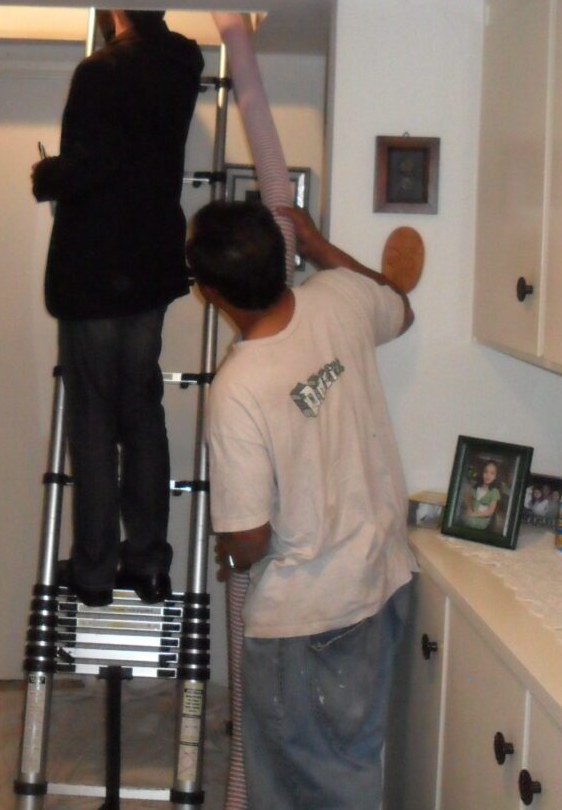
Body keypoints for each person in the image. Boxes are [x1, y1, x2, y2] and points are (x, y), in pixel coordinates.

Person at [188, 200, 418, 809]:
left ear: (211, 293)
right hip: (384, 587)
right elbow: (401, 306)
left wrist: (230, 558)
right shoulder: (340, 296)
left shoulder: (238, 387)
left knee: (303, 793)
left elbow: (250, 536)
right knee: (351, 776)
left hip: (309, 624)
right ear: (284, 253)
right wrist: (320, 245)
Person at [32, 10, 204, 607]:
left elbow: (92, 166)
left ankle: (96, 571)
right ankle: (152, 563)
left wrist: (46, 174)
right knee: (142, 410)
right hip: (151, 265)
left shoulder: (98, 72)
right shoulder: (185, 65)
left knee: (94, 419)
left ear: (115, 12)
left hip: (95, 271)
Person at [461, 459, 503, 530]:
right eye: (486, 472)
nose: (488, 475)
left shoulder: (494, 492)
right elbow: (468, 497)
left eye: (492, 473)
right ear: (482, 473)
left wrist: (474, 514)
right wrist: (469, 508)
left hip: (481, 523)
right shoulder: (476, 487)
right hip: (469, 519)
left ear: (495, 476)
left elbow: (490, 512)